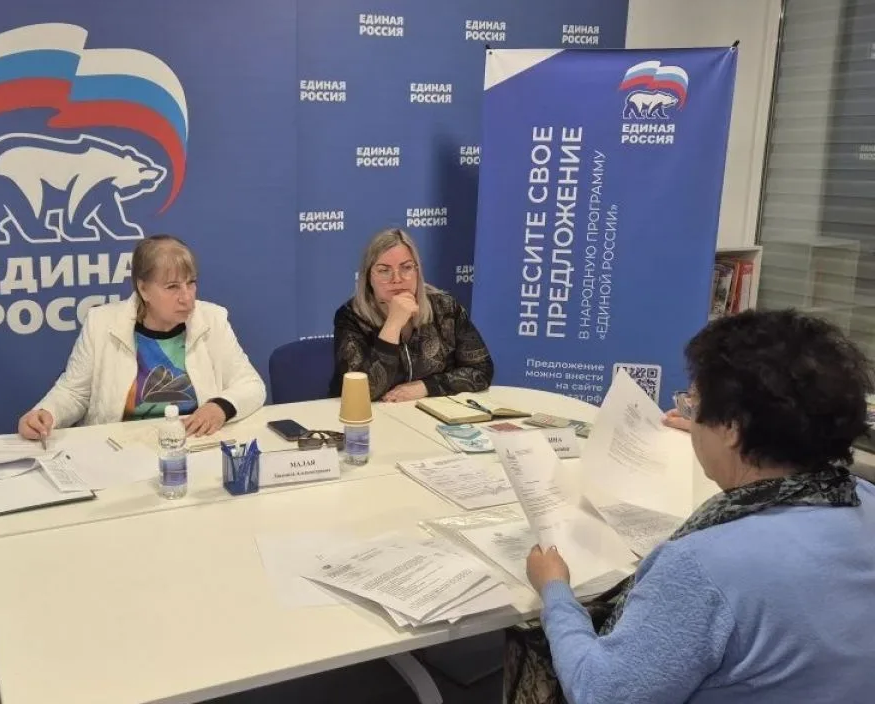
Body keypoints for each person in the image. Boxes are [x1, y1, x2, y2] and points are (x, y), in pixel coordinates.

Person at [514, 309, 875, 704]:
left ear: (732, 427)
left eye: (694, 404)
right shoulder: (863, 498)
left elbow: (599, 693)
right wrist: (716, 431)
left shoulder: (704, 566)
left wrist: (555, 591)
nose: (691, 415)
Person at [18, 235, 265, 440]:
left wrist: (220, 406)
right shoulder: (101, 323)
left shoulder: (213, 319)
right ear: (143, 289)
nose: (187, 297)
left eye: (191, 283)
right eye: (172, 287)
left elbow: (251, 384)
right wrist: (46, 413)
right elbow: (74, 393)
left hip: (194, 444)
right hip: (121, 450)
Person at [330, 228, 493, 402]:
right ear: (368, 276)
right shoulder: (351, 316)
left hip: (428, 413)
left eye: (406, 268)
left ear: (417, 271)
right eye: (384, 270)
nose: (397, 279)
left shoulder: (445, 308)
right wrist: (393, 324)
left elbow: (481, 370)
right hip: (369, 415)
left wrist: (426, 387)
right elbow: (360, 393)